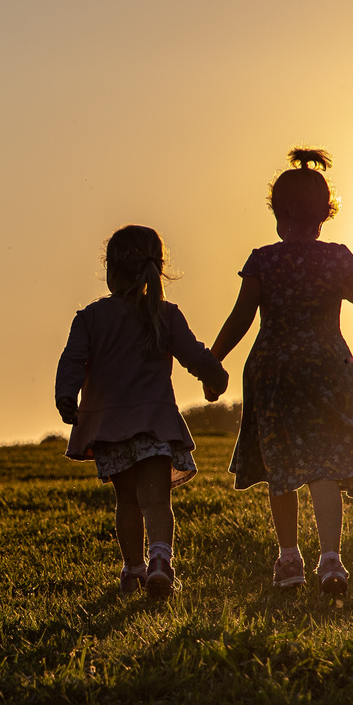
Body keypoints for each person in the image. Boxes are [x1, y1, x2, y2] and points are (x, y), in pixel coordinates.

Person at [209, 149, 353, 596]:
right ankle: (332, 562)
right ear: (325, 214)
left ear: (277, 212)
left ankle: (289, 560)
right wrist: (344, 287)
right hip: (326, 370)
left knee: (281, 466)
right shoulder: (336, 259)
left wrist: (212, 361)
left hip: (272, 372)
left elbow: (240, 319)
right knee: (323, 464)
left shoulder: (263, 261)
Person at [56, 225, 229, 599]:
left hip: (109, 427)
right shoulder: (165, 314)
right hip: (154, 425)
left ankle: (133, 568)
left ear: (111, 271)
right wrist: (216, 378)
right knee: (156, 500)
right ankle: (161, 562)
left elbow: (72, 360)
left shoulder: (89, 318)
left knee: (128, 500)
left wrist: (66, 395)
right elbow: (195, 355)